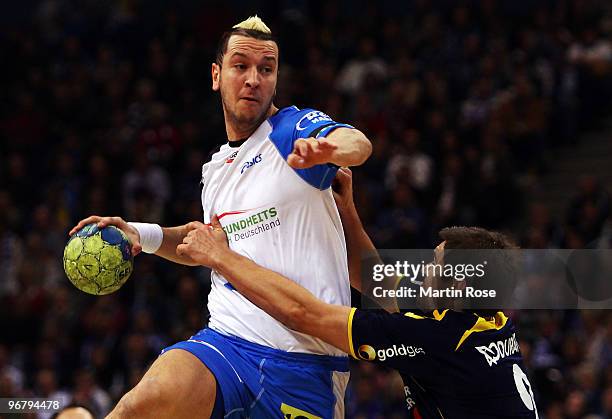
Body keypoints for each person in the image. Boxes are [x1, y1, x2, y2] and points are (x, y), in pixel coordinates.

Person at [69, 16, 372, 419]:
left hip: (305, 364)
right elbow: (206, 243)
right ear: (216, 75)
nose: (253, 79)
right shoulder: (215, 169)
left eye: (266, 69)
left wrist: (327, 148)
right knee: (137, 407)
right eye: (240, 65)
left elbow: (357, 143)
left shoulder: (291, 131)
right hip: (226, 345)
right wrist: (137, 233)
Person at [178, 168, 539, 419]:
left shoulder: (440, 339)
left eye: (435, 263)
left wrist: (220, 257)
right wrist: (347, 212)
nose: (425, 268)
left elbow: (304, 314)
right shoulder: (487, 322)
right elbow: (375, 281)